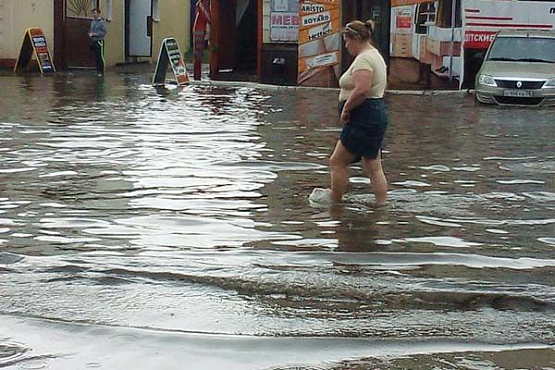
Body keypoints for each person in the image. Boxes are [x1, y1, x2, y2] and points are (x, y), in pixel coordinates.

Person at [318, 20, 389, 207]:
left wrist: (347, 109)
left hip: (363, 116)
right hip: (376, 114)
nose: (346, 46)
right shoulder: (375, 56)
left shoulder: (364, 59)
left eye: (346, 41)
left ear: (355, 38)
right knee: (374, 166)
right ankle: (382, 206)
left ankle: (335, 202)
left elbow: (362, 89)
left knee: (337, 161)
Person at [89, 8, 107, 76]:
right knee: (96, 56)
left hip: (99, 41)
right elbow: (90, 30)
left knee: (100, 56)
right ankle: (97, 70)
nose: (94, 15)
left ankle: (101, 71)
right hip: (93, 41)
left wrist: (95, 34)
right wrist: (90, 33)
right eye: (93, 13)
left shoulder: (101, 22)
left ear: (98, 13)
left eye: (95, 13)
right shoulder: (92, 22)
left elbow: (104, 32)